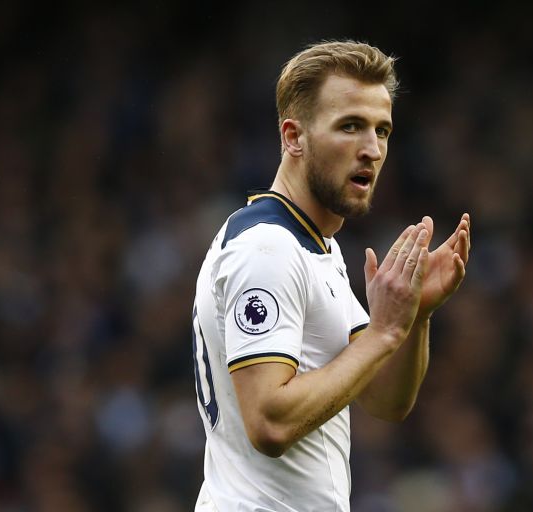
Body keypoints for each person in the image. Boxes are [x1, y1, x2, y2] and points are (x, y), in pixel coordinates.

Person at [191, 40, 471, 511]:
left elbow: (385, 400)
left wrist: (413, 317)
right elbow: (269, 423)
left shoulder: (316, 247)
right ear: (293, 137)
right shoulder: (267, 248)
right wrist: (382, 332)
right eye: (350, 127)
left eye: (382, 131)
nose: (372, 149)